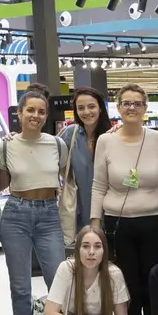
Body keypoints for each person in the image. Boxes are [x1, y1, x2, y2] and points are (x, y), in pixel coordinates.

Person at [91, 84, 158, 315]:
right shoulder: (106, 141)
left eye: (137, 103)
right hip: (118, 224)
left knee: (153, 281)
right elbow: (98, 185)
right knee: (126, 285)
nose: (132, 108)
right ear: (118, 108)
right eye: (126, 103)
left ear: (145, 108)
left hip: (154, 222)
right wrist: (95, 223)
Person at [0, 88, 66, 315]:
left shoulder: (57, 144)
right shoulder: (6, 146)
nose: (35, 116)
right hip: (15, 214)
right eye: (30, 111)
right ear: (19, 113)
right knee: (20, 287)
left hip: (50, 214)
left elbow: (67, 179)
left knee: (58, 282)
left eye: (41, 112)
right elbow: (1, 183)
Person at [43, 225, 130, 315]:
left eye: (97, 246)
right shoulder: (66, 269)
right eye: (85, 246)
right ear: (77, 250)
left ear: (104, 251)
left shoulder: (114, 274)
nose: (91, 252)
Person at [59, 87, 110, 235]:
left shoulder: (112, 136)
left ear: (100, 108)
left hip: (111, 212)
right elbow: (47, 151)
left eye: (92, 106)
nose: (87, 112)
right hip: (80, 211)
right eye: (81, 108)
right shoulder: (71, 134)